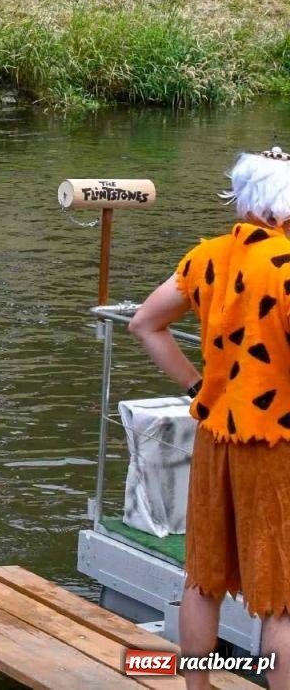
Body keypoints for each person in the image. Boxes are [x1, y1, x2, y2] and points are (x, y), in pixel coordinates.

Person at [128, 147, 290, 690]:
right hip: (278, 445)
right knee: (282, 599)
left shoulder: (208, 258)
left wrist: (199, 387)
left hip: (216, 435)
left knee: (203, 580)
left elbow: (146, 324)